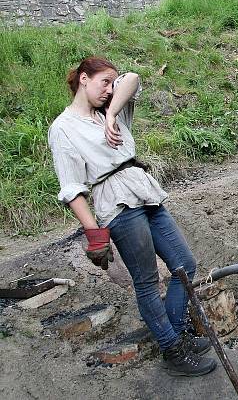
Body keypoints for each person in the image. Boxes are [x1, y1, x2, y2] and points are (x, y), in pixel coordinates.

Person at [48, 56, 217, 377]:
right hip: (115, 203)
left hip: (145, 191)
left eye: (112, 83)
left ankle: (177, 333)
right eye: (103, 82)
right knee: (147, 281)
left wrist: (111, 114)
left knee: (185, 264)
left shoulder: (111, 109)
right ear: (83, 79)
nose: (109, 88)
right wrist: (93, 232)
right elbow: (71, 187)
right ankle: (173, 350)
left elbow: (134, 78)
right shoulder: (63, 128)